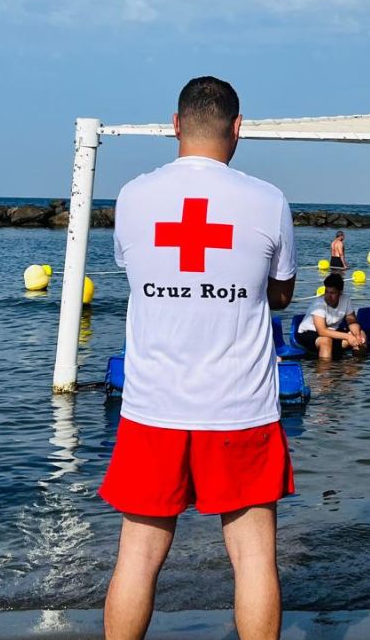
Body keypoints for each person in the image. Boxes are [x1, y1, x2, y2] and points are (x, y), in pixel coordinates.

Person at [102, 76, 297, 640]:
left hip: (152, 406)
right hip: (240, 407)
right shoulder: (267, 200)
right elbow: (279, 293)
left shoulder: (135, 196)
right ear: (239, 128)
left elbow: (134, 274)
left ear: (175, 124)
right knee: (255, 558)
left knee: (137, 557)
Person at [295, 273, 366, 358]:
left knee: (361, 334)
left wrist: (357, 335)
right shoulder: (318, 303)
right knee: (326, 341)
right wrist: (348, 336)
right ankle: (325, 370)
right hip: (308, 333)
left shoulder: (346, 299)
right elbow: (322, 331)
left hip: (331, 331)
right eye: (326, 292)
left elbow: (351, 321)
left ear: (340, 292)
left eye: (332, 293)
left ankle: (357, 365)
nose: (328, 296)